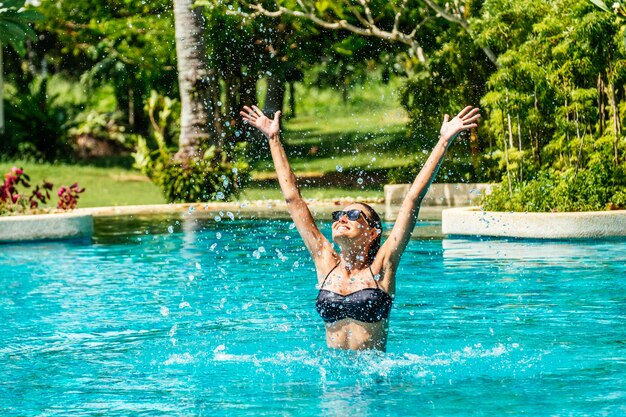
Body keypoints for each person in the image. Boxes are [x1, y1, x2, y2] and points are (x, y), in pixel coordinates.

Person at [240, 105, 480, 351]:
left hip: (374, 382)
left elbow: (412, 199)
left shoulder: (382, 266)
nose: (342, 218)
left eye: (353, 215)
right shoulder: (325, 261)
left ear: (373, 232)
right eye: (339, 214)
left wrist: (443, 141)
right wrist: (273, 138)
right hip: (332, 383)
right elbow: (293, 199)